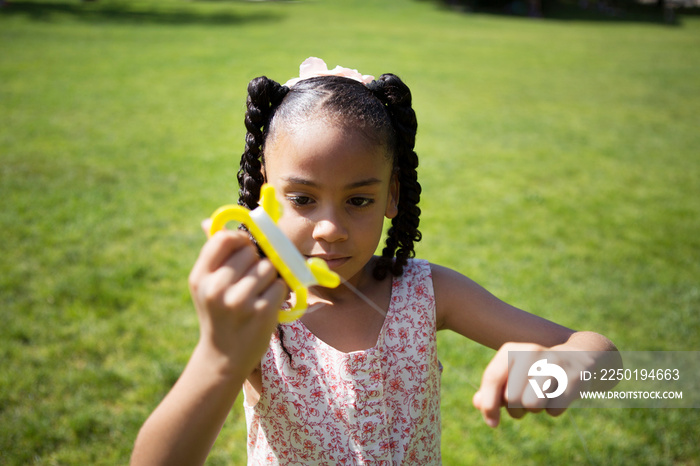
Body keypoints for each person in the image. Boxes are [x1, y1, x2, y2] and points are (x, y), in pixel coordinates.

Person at [131, 57, 617, 465]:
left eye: (358, 201)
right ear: (265, 194)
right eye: (302, 199)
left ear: (392, 196)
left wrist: (565, 368)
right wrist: (221, 355)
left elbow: (610, 362)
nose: (331, 228)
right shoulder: (261, 318)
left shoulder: (427, 293)